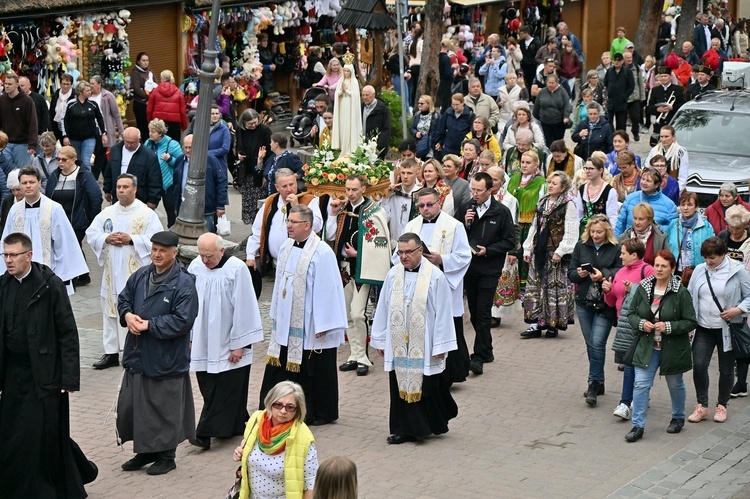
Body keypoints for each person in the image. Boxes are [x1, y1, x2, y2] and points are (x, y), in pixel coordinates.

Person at [0, 232, 98, 497]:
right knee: (12, 434)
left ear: (28, 256)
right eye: (5, 255)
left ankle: (45, 488)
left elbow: (67, 332)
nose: (8, 261)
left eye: (13, 255)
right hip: (13, 374)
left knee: (41, 435)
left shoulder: (49, 285)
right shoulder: (3, 286)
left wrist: (68, 378)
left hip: (44, 375)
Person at [116, 230, 199, 475]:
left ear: (175, 253)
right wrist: (128, 315)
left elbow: (183, 321)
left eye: (162, 251)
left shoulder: (184, 283)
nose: (157, 254)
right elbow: (124, 299)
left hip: (166, 357)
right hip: (138, 354)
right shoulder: (141, 275)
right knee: (137, 405)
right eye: (154, 249)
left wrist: (150, 325)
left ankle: (166, 455)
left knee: (165, 407)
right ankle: (145, 451)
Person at [260, 205, 348, 426]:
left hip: (309, 322)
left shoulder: (322, 252)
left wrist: (324, 323)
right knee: (281, 364)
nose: (288, 225)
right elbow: (280, 281)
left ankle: (318, 411)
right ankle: (277, 405)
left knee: (313, 368)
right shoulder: (286, 246)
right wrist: (276, 311)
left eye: (293, 222)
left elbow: (329, 289)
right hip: (286, 319)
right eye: (287, 221)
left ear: (307, 225)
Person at [372, 232, 458, 443]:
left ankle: (428, 424)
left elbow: (443, 313)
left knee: (427, 385)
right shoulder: (394, 275)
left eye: (408, 252)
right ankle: (404, 428)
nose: (404, 257)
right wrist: (381, 338)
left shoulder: (435, 277)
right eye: (400, 252)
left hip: (425, 341)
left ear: (420, 250)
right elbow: (383, 307)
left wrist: (441, 344)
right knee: (398, 383)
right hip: (398, 340)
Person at [187, 233, 264, 449]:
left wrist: (239, 344)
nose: (205, 260)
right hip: (203, 339)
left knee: (226, 387)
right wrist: (190, 336)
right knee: (208, 384)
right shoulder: (195, 267)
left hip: (229, 340)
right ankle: (238, 423)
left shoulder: (236, 269)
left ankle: (204, 433)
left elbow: (245, 307)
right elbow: (189, 303)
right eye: (201, 255)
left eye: (209, 256)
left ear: (222, 251)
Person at [86, 173, 163, 370]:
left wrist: (132, 240)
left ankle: (134, 351)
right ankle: (111, 353)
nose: (121, 190)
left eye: (125, 187)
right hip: (112, 271)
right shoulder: (107, 213)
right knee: (110, 311)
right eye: (118, 187)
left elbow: (157, 239)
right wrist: (106, 239)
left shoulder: (146, 214)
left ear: (135, 189)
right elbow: (91, 233)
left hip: (134, 272)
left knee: (135, 310)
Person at [398, 188, 471, 383]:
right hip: (417, 287)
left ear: (439, 203)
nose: (425, 209)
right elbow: (399, 255)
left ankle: (451, 374)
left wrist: (442, 259)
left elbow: (464, 256)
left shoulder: (454, 225)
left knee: (446, 328)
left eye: (430, 204)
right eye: (421, 205)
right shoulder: (412, 226)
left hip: (444, 285)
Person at [623, 250, 696, 442]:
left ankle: (678, 417)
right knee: (640, 385)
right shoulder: (643, 287)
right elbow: (631, 314)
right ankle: (638, 426)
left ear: (672, 268)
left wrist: (669, 326)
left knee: (675, 384)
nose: (659, 269)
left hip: (672, 348)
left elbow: (690, 321)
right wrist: (641, 323)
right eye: (656, 265)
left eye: (664, 266)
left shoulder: (680, 291)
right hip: (648, 347)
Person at [327, 175, 391, 376]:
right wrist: (332, 214)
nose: (350, 193)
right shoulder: (343, 210)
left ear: (364, 189)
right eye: (347, 189)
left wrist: (359, 254)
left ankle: (363, 356)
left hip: (362, 269)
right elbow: (329, 236)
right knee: (347, 315)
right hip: (344, 269)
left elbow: (381, 243)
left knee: (357, 312)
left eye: (354, 189)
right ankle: (354, 355)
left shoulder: (374, 211)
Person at [456, 172, 516, 375]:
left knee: (483, 313)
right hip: (469, 269)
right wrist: (465, 223)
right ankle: (488, 349)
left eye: (478, 190)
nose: (474, 194)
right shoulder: (466, 207)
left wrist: (488, 250)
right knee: (474, 313)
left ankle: (478, 356)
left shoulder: (501, 212)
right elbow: (456, 235)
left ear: (490, 190)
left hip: (489, 269)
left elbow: (510, 241)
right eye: (472, 189)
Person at [687, 236, 750, 425]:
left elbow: (749, 296)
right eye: (706, 258)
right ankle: (702, 405)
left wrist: (737, 310)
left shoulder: (737, 271)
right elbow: (690, 295)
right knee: (698, 365)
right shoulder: (700, 270)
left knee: (726, 369)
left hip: (727, 329)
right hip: (703, 327)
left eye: (712, 258)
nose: (709, 262)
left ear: (723, 254)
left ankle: (722, 405)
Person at [0, 166, 88, 289]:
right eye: (24, 183)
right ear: (20, 185)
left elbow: (64, 243)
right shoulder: (15, 210)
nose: (28, 186)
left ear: (39, 183)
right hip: (19, 274)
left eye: (32, 182)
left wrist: (62, 277)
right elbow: (6, 241)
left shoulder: (54, 209)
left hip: (48, 273)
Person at [569, 216, 623, 406]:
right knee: (590, 343)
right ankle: (599, 381)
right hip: (584, 301)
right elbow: (571, 273)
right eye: (592, 232)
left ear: (607, 231)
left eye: (599, 232)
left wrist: (604, 275)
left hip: (605, 302)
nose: (595, 235)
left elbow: (621, 270)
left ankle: (592, 384)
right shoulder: (581, 245)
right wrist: (580, 273)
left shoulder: (616, 248)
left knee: (597, 342)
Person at [233, 381, 318, 499]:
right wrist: (240, 452)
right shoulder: (256, 420)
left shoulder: (304, 439)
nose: (283, 411)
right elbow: (246, 442)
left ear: (297, 409)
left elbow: (310, 485)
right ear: (270, 402)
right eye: (278, 405)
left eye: (290, 407)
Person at [520, 171, 577, 339]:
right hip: (540, 250)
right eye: (550, 182)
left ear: (563, 187)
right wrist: (528, 247)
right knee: (534, 288)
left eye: (555, 183)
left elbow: (571, 231)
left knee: (554, 289)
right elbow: (534, 226)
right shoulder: (543, 201)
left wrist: (560, 251)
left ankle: (553, 324)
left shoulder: (568, 204)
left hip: (555, 253)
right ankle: (534, 324)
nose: (550, 185)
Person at [606, 238, 654, 421]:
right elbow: (612, 301)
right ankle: (638, 396)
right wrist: (607, 291)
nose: (620, 256)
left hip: (641, 325)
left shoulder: (647, 270)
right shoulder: (620, 272)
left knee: (631, 365)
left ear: (634, 255)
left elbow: (652, 296)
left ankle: (625, 403)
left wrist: (634, 288)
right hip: (624, 324)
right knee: (631, 364)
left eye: (623, 253)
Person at [246, 168, 322, 275]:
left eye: (292, 184)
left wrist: (297, 207)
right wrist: (250, 255)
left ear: (296, 183)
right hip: (275, 264)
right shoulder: (270, 201)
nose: (289, 189)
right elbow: (258, 230)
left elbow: (317, 227)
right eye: (284, 186)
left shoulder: (309, 200)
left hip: (301, 265)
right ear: (277, 187)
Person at [44, 145, 101, 286]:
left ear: (73, 160)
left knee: (72, 244)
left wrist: (92, 220)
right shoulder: (55, 175)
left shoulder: (84, 175)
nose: (60, 162)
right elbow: (48, 195)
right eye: (58, 159)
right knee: (68, 245)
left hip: (77, 220)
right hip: (58, 220)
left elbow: (95, 197)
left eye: (64, 159)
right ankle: (81, 274)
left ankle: (77, 275)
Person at [507, 151, 547, 286]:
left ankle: (526, 286)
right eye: (522, 162)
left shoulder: (541, 182)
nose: (524, 165)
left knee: (526, 254)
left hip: (530, 224)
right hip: (514, 222)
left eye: (528, 163)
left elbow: (542, 204)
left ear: (536, 164)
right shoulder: (513, 178)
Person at [172, 134, 228, 233]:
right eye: (185, 148)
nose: (188, 150)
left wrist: (220, 205)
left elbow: (221, 182)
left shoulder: (210, 160)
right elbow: (176, 185)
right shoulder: (180, 160)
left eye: (190, 147)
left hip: (206, 209)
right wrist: (176, 206)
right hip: (184, 207)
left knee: (207, 236)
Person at [104, 127, 163, 208]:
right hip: (118, 198)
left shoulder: (149, 156)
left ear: (139, 139)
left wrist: (153, 200)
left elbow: (155, 179)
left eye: (132, 143)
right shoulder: (116, 150)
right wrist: (107, 190)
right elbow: (109, 171)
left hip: (139, 199)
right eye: (126, 142)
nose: (129, 145)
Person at [616, 168, 677, 237]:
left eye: (648, 181)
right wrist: (617, 244)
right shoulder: (630, 198)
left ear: (656, 185)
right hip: (630, 243)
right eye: (643, 179)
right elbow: (620, 223)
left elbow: (674, 229)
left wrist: (658, 228)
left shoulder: (669, 205)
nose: (644, 182)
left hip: (655, 245)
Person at [236, 109, 272, 224]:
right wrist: (239, 155)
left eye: (255, 122)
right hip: (246, 171)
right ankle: (251, 226)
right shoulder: (240, 130)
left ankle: (257, 226)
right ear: (244, 123)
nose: (253, 125)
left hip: (259, 170)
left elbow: (271, 154)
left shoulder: (264, 131)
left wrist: (265, 174)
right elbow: (238, 146)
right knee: (247, 202)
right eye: (250, 124)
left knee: (259, 203)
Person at [61, 80, 107, 172]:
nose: (90, 92)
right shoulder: (71, 104)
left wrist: (104, 133)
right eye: (87, 91)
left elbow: (100, 118)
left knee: (86, 161)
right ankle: (77, 180)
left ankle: (87, 183)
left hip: (89, 136)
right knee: (77, 161)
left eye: (90, 90)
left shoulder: (93, 103)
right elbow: (64, 120)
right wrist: (65, 135)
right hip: (74, 137)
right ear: (80, 92)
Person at [144, 119, 182, 227]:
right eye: (149, 131)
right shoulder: (148, 143)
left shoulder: (172, 144)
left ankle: (173, 232)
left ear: (160, 133)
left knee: (171, 210)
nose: (150, 134)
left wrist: (169, 159)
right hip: (152, 182)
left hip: (168, 184)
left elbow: (181, 164)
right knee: (148, 209)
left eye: (153, 131)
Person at [668, 191, 715, 276]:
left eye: (689, 205)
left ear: (696, 207)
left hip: (699, 272)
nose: (685, 208)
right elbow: (668, 247)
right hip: (676, 271)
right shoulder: (673, 224)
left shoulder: (706, 226)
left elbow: (712, 249)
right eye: (683, 205)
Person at [89, 75, 126, 180]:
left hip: (105, 131)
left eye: (92, 84)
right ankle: (108, 179)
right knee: (102, 157)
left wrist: (121, 130)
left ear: (99, 85)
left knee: (100, 154)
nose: (90, 86)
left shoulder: (108, 96)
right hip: (91, 131)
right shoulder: (88, 96)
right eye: (90, 83)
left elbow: (116, 114)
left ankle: (94, 177)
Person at [0, 72, 38, 169]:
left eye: (10, 84)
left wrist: (32, 145)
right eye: (6, 83)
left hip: (23, 144)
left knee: (24, 172)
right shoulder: (2, 99)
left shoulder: (27, 101)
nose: (7, 86)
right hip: (5, 144)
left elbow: (32, 123)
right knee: (5, 173)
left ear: (17, 85)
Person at [382, 158, 422, 244]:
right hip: (394, 241)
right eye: (403, 173)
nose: (405, 176)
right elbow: (385, 217)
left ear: (417, 173)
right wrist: (385, 197)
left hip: (413, 243)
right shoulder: (394, 193)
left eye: (409, 173)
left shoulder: (421, 194)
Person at [575, 156, 618, 231]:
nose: (587, 171)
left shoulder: (609, 191)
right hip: (584, 231)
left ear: (600, 170)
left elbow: (612, 217)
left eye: (591, 168)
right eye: (586, 168)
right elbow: (579, 214)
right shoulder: (582, 189)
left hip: (601, 231)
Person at [146, 70, 187, 143]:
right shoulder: (178, 92)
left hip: (158, 124)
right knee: (174, 147)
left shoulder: (155, 91)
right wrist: (184, 126)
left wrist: (151, 123)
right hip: (174, 125)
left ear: (161, 79)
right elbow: (183, 111)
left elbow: (149, 110)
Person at [646, 125, 689, 192]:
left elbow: (683, 177)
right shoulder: (654, 150)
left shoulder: (680, 152)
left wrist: (675, 191)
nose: (663, 139)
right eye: (661, 137)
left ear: (673, 137)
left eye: (666, 136)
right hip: (654, 188)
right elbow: (647, 168)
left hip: (672, 187)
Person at [432, 93, 475, 160]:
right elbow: (441, 129)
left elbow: (472, 132)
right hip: (449, 147)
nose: (455, 107)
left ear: (463, 103)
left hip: (463, 148)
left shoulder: (470, 115)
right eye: (453, 104)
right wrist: (439, 142)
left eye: (457, 105)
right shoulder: (448, 113)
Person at [647, 68, 685, 144]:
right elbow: (649, 108)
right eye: (661, 76)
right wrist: (657, 109)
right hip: (659, 124)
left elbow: (683, 105)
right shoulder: (655, 90)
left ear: (670, 77)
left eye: (665, 76)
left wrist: (672, 107)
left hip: (673, 121)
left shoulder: (678, 89)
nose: (663, 78)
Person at [331, 63, 362, 155]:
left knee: (349, 126)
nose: (346, 72)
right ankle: (343, 148)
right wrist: (341, 91)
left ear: (351, 71)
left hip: (350, 107)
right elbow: (337, 93)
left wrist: (346, 91)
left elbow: (355, 95)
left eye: (348, 71)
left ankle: (349, 149)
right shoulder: (341, 80)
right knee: (343, 125)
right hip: (342, 106)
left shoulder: (354, 81)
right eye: (344, 70)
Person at [603, 53, 635, 132]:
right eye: (615, 60)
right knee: (609, 122)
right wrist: (610, 92)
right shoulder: (610, 71)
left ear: (622, 61)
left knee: (621, 124)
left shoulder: (627, 71)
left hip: (621, 102)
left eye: (619, 60)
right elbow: (605, 82)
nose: (617, 62)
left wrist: (625, 96)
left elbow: (631, 85)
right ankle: (610, 138)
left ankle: (621, 139)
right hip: (611, 101)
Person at [361, 85, 392, 159]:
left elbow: (386, 129)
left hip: (376, 149)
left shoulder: (382, 109)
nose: (365, 97)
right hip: (362, 146)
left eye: (367, 95)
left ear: (373, 95)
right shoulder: (360, 107)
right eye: (363, 95)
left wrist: (379, 147)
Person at [130, 52, 153, 142]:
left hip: (150, 103)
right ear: (138, 61)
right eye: (143, 60)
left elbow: (155, 84)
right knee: (142, 127)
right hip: (140, 104)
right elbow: (137, 89)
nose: (145, 62)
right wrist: (148, 96)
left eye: (147, 60)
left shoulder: (150, 72)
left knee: (150, 127)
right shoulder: (135, 73)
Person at [410, 95, 440, 160]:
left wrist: (439, 142)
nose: (419, 105)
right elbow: (412, 128)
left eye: (422, 103)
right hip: (419, 145)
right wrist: (416, 133)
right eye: (418, 103)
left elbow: (440, 131)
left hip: (431, 147)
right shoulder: (417, 114)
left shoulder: (436, 116)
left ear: (428, 104)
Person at [50, 73, 75, 144]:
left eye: (68, 84)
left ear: (71, 84)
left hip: (70, 127)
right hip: (56, 125)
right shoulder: (56, 95)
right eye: (63, 84)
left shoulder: (74, 95)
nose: (65, 86)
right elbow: (51, 112)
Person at [518, 26, 542, 94]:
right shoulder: (521, 43)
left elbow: (537, 54)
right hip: (523, 65)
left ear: (526, 33)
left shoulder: (535, 43)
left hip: (532, 66)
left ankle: (531, 96)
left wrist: (533, 61)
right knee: (521, 80)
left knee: (531, 81)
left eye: (522, 34)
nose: (520, 35)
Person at [208, 105, 231, 171]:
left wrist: (208, 153)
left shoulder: (224, 129)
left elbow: (225, 149)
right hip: (205, 163)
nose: (215, 116)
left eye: (217, 113)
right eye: (212, 114)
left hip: (219, 163)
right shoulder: (204, 127)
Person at [437, 39, 457, 110]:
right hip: (445, 83)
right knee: (445, 104)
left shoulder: (437, 57)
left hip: (438, 82)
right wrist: (453, 68)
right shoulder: (446, 58)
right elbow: (448, 74)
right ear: (448, 46)